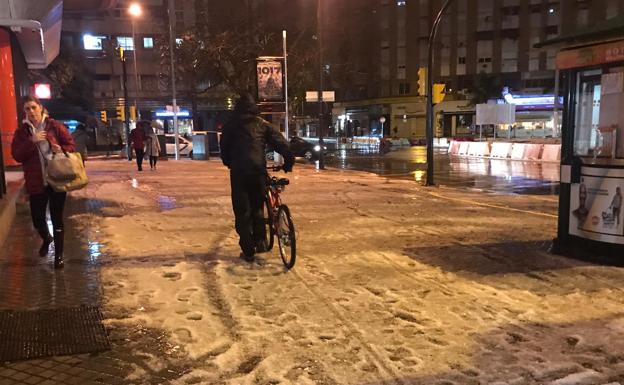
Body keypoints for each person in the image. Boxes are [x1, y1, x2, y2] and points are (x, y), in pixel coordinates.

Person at [220, 93, 294, 262]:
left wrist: (228, 162)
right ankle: (260, 241)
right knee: (257, 207)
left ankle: (248, 249)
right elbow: (281, 143)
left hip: (239, 173)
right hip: (257, 171)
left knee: (242, 210)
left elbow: (224, 148)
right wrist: (288, 161)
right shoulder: (262, 124)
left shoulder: (230, 126)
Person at [11, 95, 75, 268]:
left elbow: (71, 146)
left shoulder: (54, 126)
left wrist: (60, 148)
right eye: (27, 109)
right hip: (36, 182)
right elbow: (16, 155)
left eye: (33, 107)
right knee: (38, 219)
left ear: (40, 108)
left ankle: (59, 257)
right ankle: (47, 238)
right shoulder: (22, 132)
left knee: (57, 218)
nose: (31, 111)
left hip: (56, 179)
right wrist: (32, 141)